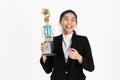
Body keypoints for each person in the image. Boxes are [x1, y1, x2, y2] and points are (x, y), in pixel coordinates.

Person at [40, 10, 95, 80]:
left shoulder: (83, 40)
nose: (69, 22)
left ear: (76, 23)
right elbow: (48, 70)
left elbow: (91, 67)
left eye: (72, 20)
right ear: (60, 22)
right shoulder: (52, 40)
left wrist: (79, 57)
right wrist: (44, 54)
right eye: (66, 19)